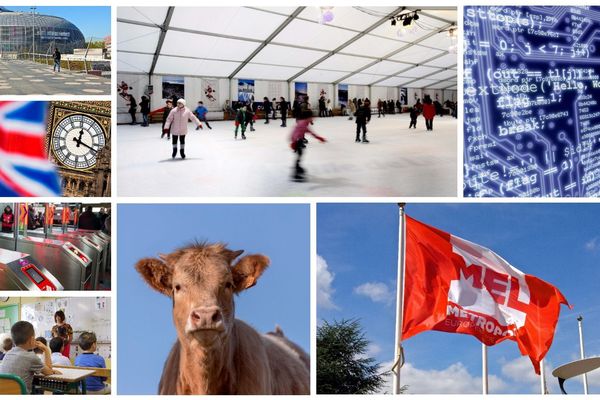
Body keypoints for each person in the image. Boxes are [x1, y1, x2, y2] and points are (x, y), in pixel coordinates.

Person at [0, 321, 60, 394]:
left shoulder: (8, 354)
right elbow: (49, 372)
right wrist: (46, 349)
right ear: (32, 339)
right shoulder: (31, 357)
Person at [290, 110, 327, 182]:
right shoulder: (302, 123)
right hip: (297, 141)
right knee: (299, 155)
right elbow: (295, 133)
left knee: (300, 154)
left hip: (298, 140)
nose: (313, 118)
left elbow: (310, 132)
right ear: (308, 117)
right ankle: (295, 174)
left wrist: (319, 138)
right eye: (312, 117)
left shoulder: (304, 122)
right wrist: (294, 142)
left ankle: (298, 168)